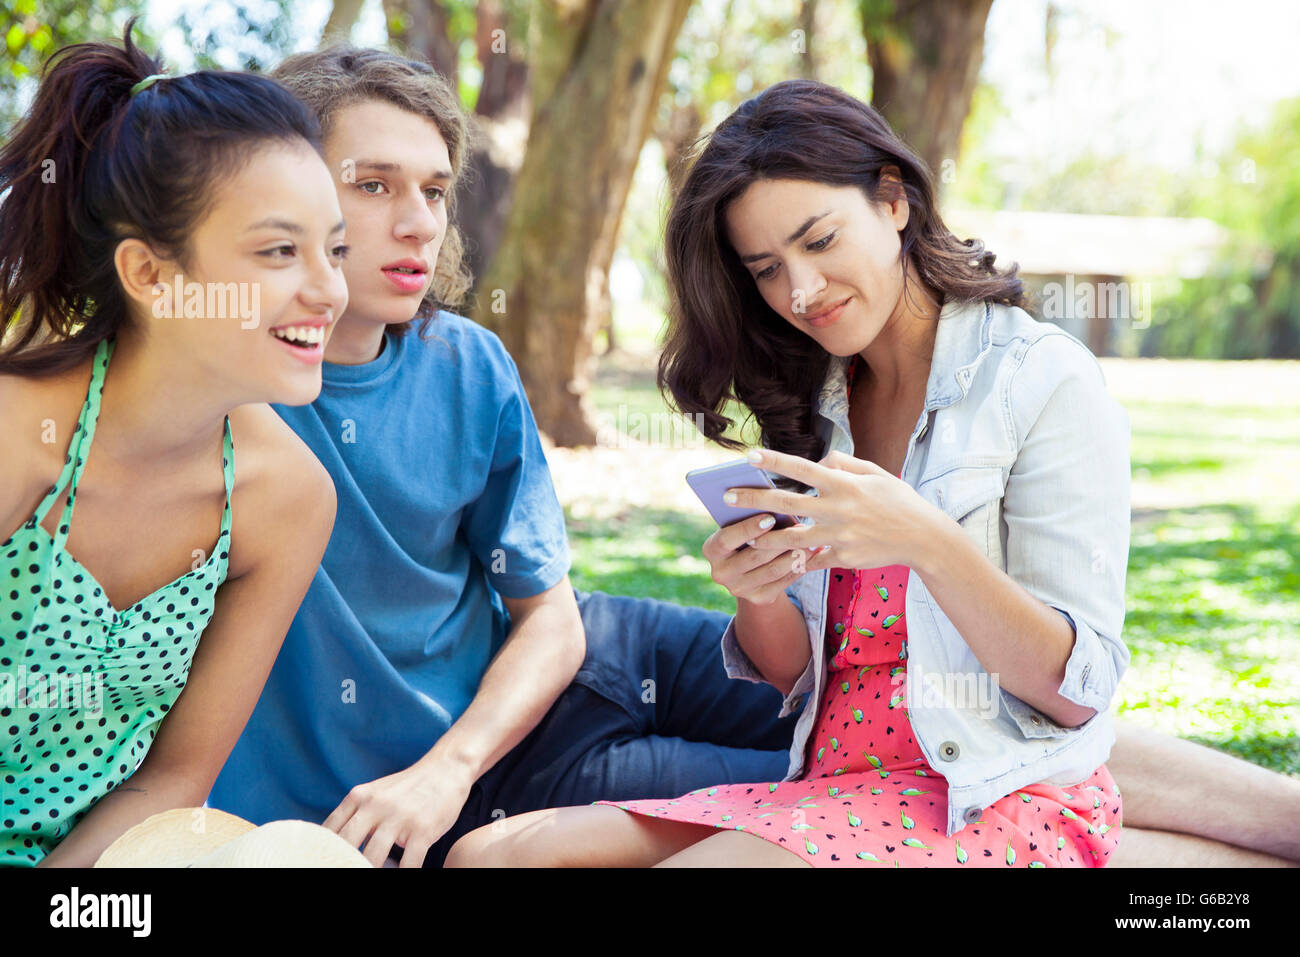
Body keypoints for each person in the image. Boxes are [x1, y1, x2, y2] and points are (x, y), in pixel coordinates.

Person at [208, 52, 1299, 869]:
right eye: (767, 268)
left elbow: (1072, 686)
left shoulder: (1032, 379)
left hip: (699, 685)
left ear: (893, 196)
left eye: (435, 189)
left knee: (989, 727)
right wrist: (764, 596)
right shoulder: (819, 386)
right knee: (536, 850)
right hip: (719, 754)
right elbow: (799, 676)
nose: (799, 291)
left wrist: (913, 542)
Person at [0, 19, 343, 867]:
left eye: (333, 248)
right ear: (151, 274)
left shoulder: (286, 500)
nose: (328, 289)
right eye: (279, 250)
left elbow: (170, 782)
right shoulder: (15, 434)